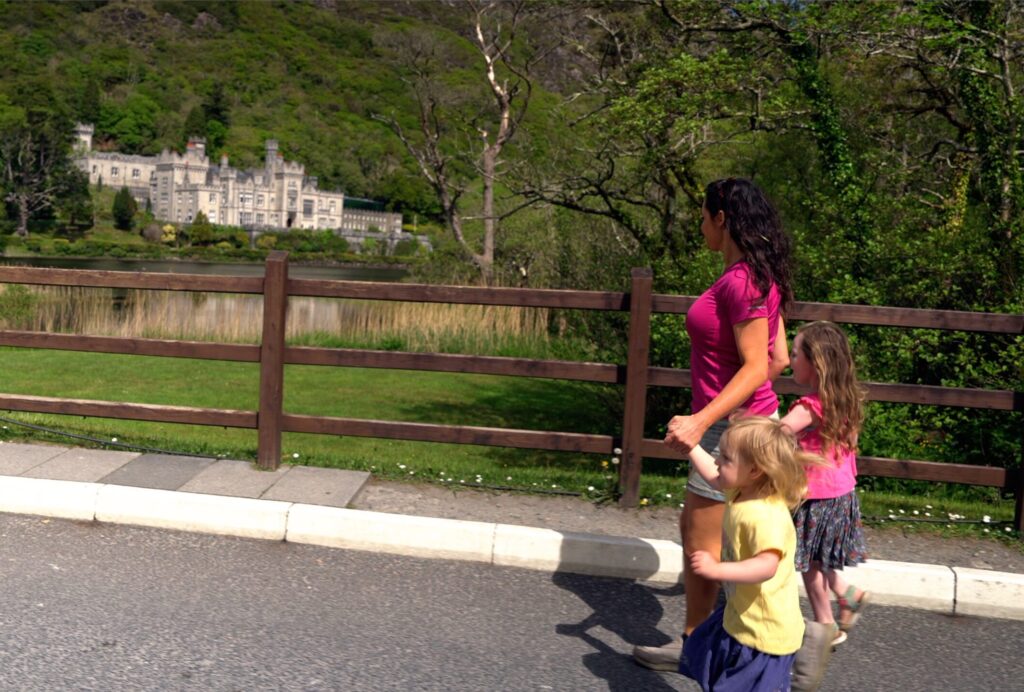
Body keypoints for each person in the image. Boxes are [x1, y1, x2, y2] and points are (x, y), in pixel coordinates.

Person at [634, 177, 794, 671]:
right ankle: (725, 642)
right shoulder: (757, 275)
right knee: (703, 530)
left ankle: (696, 648)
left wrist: (705, 419)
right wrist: (752, 412)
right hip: (743, 425)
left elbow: (754, 365)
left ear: (722, 218)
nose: (699, 224)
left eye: (703, 215)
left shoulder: (742, 281)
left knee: (703, 544)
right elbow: (780, 359)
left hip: (728, 431)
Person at [676, 416, 814, 691]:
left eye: (726, 458)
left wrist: (717, 570)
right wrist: (690, 447)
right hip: (741, 620)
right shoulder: (741, 492)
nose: (718, 462)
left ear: (755, 470)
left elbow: (766, 566)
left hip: (765, 635)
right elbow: (713, 476)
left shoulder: (765, 516)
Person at [781, 321, 870, 646]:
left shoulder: (810, 407)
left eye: (794, 353)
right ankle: (849, 594)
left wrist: (751, 422)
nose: (790, 359)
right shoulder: (845, 400)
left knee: (809, 565)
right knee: (819, 559)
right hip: (842, 495)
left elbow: (777, 433)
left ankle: (826, 624)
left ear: (814, 362)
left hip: (815, 498)